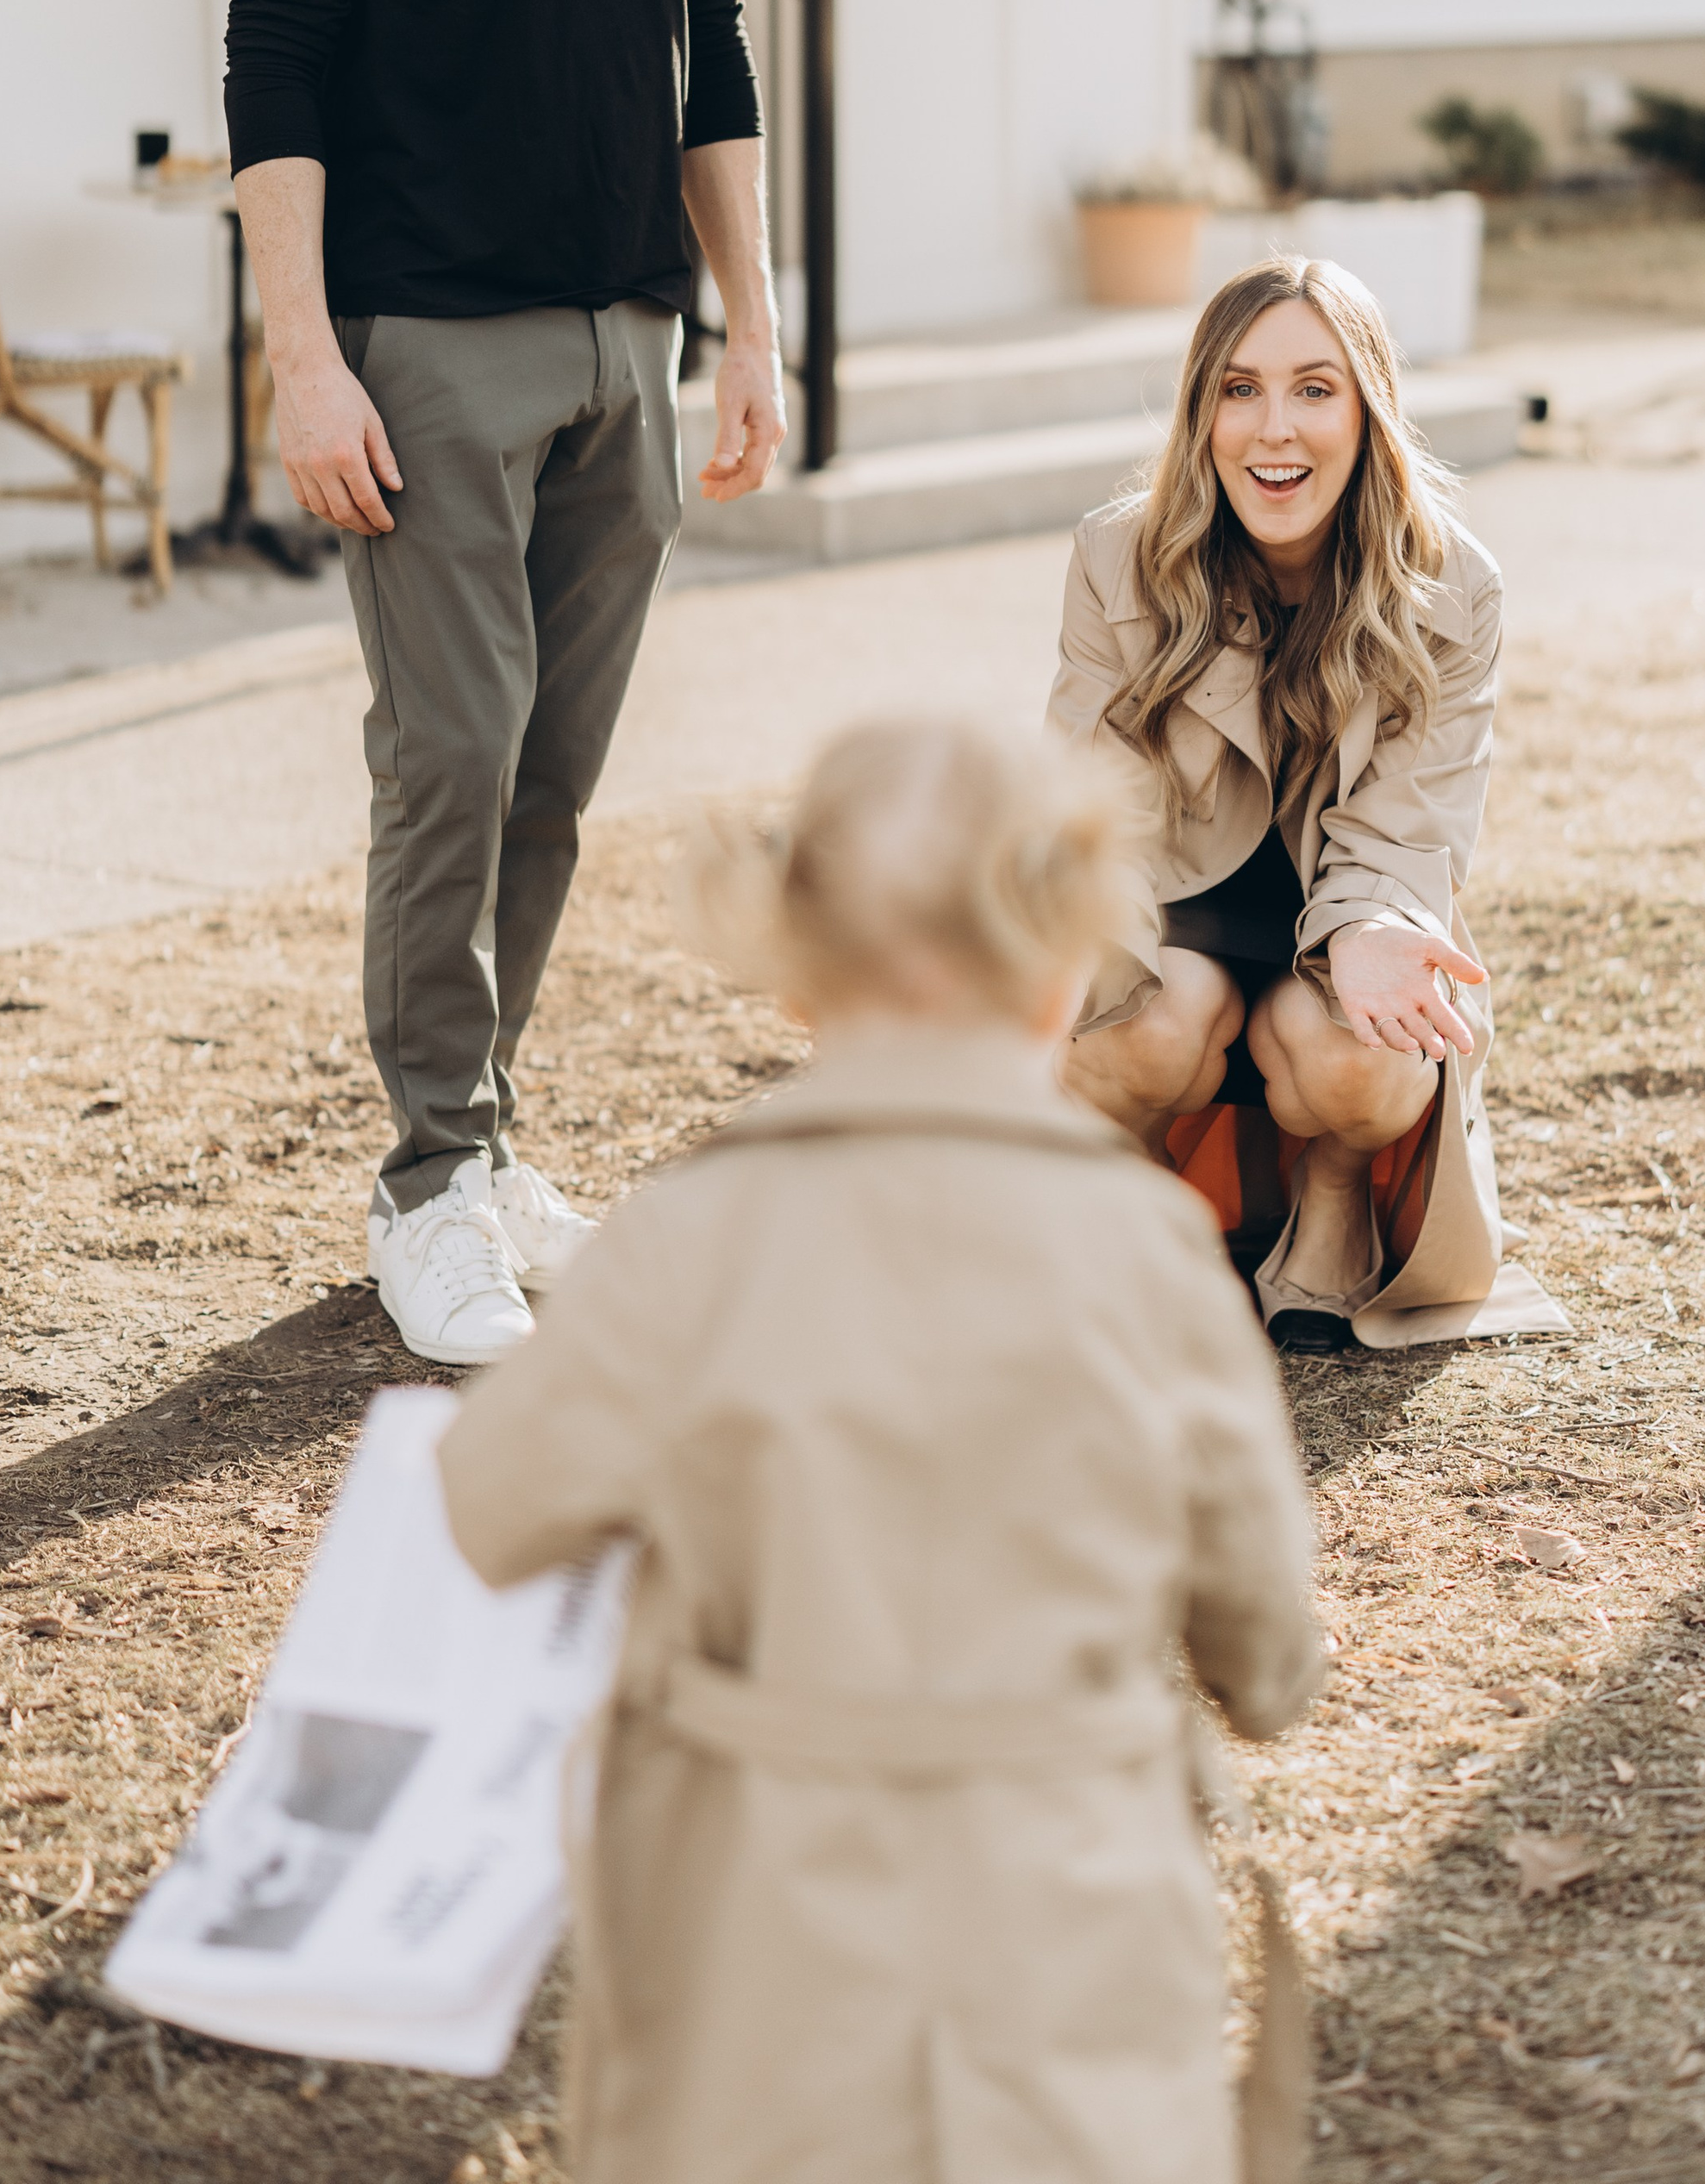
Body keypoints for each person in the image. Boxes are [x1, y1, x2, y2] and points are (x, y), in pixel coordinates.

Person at [437, 717, 1323, 2184]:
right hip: (1069, 1933)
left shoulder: (689, 1237)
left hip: (758, 1941)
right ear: (1062, 980)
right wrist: (1251, 1673)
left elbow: (490, 1507)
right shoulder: (1148, 1249)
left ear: (796, 982)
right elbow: (1270, 1648)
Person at [223, 0, 784, 1368]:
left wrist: (749, 324)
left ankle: (483, 1134)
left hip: (622, 328)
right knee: (446, 755)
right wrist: (302, 351)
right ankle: (426, 1180)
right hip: (422, 337)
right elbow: (271, 61)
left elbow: (703, 43)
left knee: (551, 770)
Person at [1049, 253, 1566, 1351]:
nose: (1272, 430)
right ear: (1202, 413)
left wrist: (1379, 924)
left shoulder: (1453, 585)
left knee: (1377, 1055)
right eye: (1239, 389)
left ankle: (1332, 1194)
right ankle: (1140, 1211)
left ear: (1369, 410)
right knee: (1128, 1024)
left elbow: (1418, 817)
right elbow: (1089, 802)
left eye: (1313, 389)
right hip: (1171, 922)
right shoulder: (1114, 557)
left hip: (1330, 934)